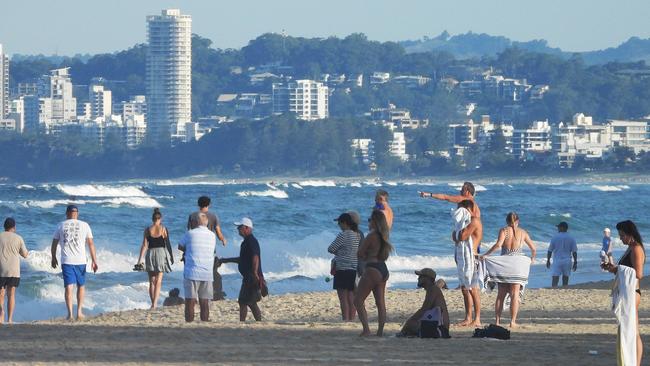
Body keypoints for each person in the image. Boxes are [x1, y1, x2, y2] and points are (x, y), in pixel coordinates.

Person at [480, 212, 537, 328]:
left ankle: (497, 321)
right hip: (518, 265)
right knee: (515, 294)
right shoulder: (523, 232)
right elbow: (533, 248)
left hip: (504, 264)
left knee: (501, 294)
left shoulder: (504, 231)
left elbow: (498, 245)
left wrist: (485, 255)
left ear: (506, 221)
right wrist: (532, 259)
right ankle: (512, 321)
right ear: (518, 221)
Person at [602, 220, 645, 366]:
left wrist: (619, 269)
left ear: (630, 234)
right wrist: (612, 268)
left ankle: (635, 363)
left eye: (622, 235)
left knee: (633, 331)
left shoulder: (636, 249)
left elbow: (638, 274)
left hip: (633, 292)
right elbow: (626, 270)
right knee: (631, 330)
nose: (620, 238)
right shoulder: (630, 248)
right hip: (627, 291)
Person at [50, 205, 98, 320]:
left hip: (66, 260)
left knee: (68, 287)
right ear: (77, 214)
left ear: (67, 213)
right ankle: (79, 312)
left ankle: (70, 314)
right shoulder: (85, 225)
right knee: (81, 286)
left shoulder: (61, 225)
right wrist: (94, 260)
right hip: (81, 261)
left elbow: (54, 243)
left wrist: (53, 257)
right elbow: (91, 244)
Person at [354, 210, 393, 337]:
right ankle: (380, 331)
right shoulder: (384, 236)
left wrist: (364, 256)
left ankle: (366, 329)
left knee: (358, 300)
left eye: (370, 220)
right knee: (380, 303)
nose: (368, 222)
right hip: (383, 268)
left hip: (372, 269)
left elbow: (360, 253)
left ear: (375, 222)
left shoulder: (372, 236)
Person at [219, 218, 265, 322]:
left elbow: (255, 257)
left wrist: (254, 273)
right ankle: (253, 322)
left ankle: (248, 322)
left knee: (247, 302)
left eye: (240, 227)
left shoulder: (251, 241)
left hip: (251, 276)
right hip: (249, 276)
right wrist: (225, 260)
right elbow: (242, 260)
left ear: (247, 228)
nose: (238, 229)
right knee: (247, 302)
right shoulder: (246, 242)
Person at [187, 196, 227, 301]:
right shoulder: (213, 216)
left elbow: (189, 232)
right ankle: (208, 295)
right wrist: (223, 239)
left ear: (198, 204)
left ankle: (194, 296)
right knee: (209, 272)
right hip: (209, 248)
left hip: (194, 248)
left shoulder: (192, 216)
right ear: (209, 204)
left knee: (194, 272)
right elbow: (218, 232)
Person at [178, 213, 216, 322]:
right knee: (204, 302)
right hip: (207, 272)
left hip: (192, 272)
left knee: (190, 301)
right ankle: (204, 322)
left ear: (195, 222)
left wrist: (188, 249)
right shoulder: (212, 235)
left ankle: (189, 323)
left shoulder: (190, 233)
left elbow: (180, 246)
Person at [453, 199, 483, 327]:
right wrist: (456, 234)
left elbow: (461, 237)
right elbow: (454, 237)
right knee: (465, 289)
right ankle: (468, 317)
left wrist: (456, 234)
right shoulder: (462, 223)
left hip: (472, 258)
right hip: (463, 259)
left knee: (473, 289)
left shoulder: (474, 221)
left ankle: (477, 319)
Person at [136, 208, 173, 309]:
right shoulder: (164, 229)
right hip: (161, 253)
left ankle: (153, 303)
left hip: (150, 254)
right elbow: (168, 244)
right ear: (160, 218)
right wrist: (171, 256)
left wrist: (140, 260)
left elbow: (144, 245)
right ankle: (155, 303)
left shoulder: (147, 230)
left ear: (152, 219)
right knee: (158, 281)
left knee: (151, 281)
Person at [328, 213, 361, 321]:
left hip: (342, 268)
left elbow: (331, 249)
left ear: (345, 223)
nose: (338, 225)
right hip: (353, 269)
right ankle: (351, 319)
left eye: (339, 223)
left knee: (343, 298)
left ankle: (345, 319)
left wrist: (340, 252)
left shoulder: (343, 235)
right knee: (351, 297)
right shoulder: (357, 235)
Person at [398, 268, 449, 337]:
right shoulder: (432, 289)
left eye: (420, 277)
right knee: (412, 325)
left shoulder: (432, 289)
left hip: (440, 327)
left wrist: (409, 322)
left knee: (410, 325)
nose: (418, 278)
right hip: (438, 323)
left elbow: (424, 309)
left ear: (427, 279)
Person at [0, 218, 29, 324]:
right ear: (14, 227)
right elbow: (25, 255)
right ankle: (10, 319)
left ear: (4, 227)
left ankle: (1, 315)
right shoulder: (18, 238)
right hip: (14, 270)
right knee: (11, 294)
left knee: (1, 293)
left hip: (1, 269)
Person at [546, 221, 577, 287]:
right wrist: (575, 262)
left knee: (555, 277)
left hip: (557, 260)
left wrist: (548, 260)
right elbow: (574, 251)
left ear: (562, 228)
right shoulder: (571, 238)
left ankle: (554, 290)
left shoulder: (555, 237)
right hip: (567, 260)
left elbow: (550, 250)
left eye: (559, 227)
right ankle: (564, 289)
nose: (558, 229)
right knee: (565, 278)